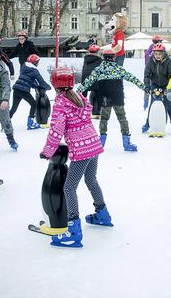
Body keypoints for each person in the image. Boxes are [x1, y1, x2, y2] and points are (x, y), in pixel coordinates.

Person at [40, 67, 109, 248]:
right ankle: (103, 214)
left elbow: (56, 130)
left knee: (69, 187)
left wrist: (47, 151)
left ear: (55, 85)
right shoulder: (79, 96)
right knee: (91, 179)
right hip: (94, 143)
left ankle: (74, 230)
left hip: (82, 149)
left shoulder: (61, 103)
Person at [77, 48, 145, 151]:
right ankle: (126, 142)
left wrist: (77, 91)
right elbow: (132, 78)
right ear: (114, 57)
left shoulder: (99, 69)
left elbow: (88, 82)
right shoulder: (118, 68)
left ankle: (101, 142)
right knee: (122, 118)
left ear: (104, 58)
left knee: (104, 118)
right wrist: (144, 88)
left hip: (105, 97)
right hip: (118, 96)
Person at [142, 43, 171, 134]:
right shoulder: (151, 61)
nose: (158, 56)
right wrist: (147, 86)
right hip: (155, 84)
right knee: (152, 103)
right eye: (156, 54)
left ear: (163, 53)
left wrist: (169, 89)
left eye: (159, 54)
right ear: (153, 54)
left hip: (166, 85)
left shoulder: (168, 61)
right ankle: (148, 123)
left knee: (168, 104)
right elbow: (146, 75)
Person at [9, 54, 51, 130]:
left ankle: (6, 124)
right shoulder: (34, 71)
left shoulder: (24, 67)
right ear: (35, 63)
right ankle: (30, 124)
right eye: (37, 62)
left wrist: (35, 86)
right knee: (34, 104)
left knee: (14, 108)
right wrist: (48, 87)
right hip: (24, 91)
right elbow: (41, 82)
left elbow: (28, 80)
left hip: (16, 89)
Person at [81, 44, 102, 118]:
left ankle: (81, 111)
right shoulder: (100, 60)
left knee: (83, 95)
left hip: (85, 78)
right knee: (97, 93)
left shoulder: (86, 59)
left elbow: (83, 69)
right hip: (95, 78)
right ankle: (96, 112)